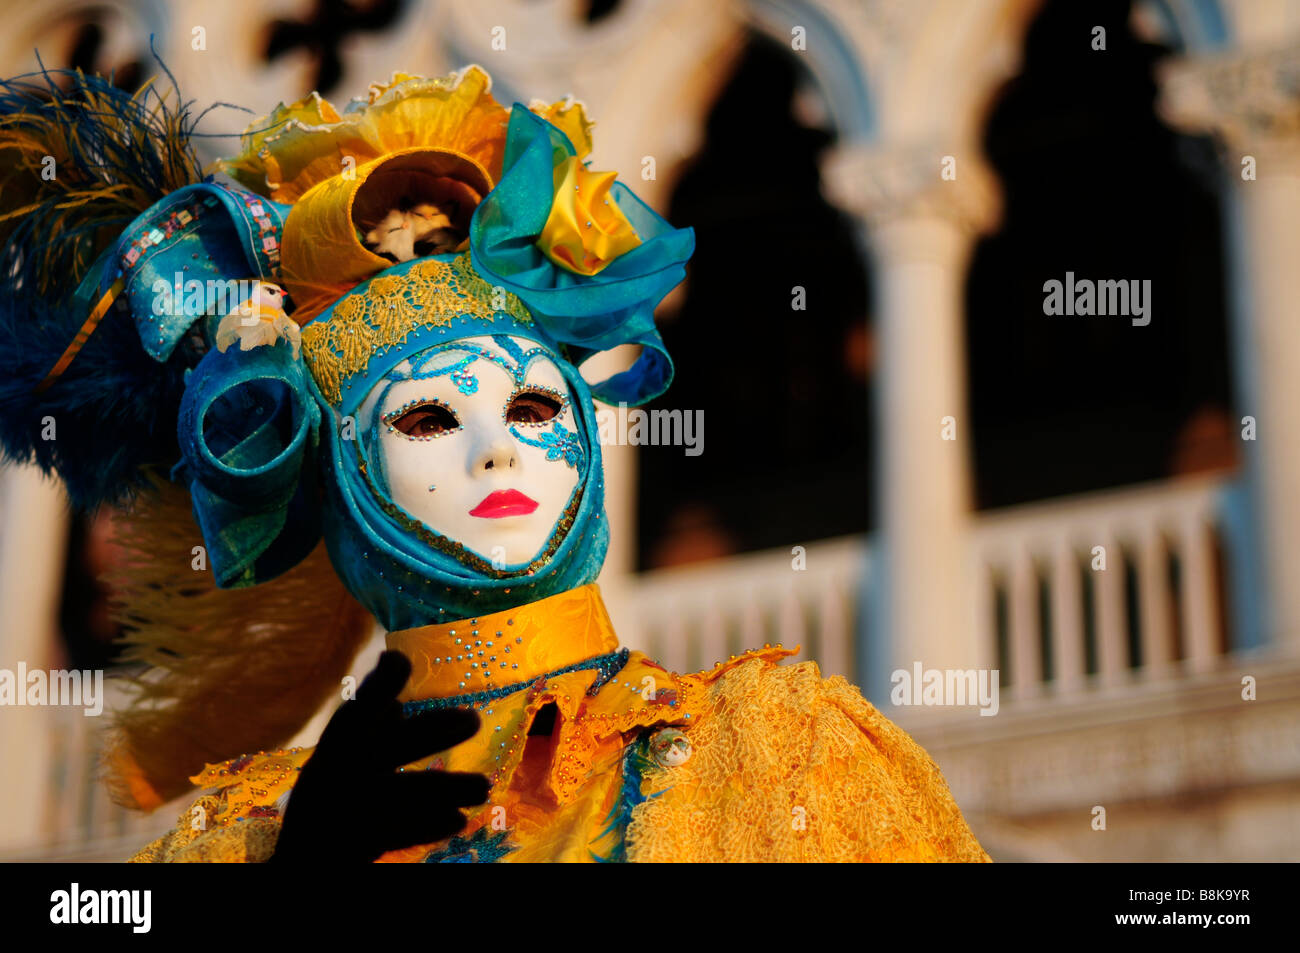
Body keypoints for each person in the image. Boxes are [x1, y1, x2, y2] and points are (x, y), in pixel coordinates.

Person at [0, 64, 990, 862]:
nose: (497, 446)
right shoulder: (237, 841)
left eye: (531, 404)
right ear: (335, 472)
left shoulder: (783, 755)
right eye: (428, 419)